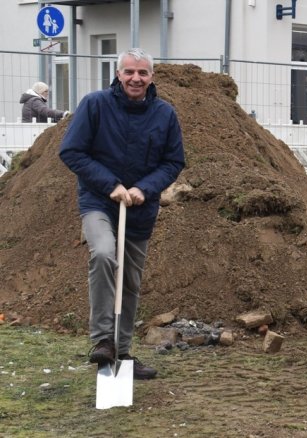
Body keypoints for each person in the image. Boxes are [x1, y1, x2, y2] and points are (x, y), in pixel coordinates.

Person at [59, 48, 185, 380]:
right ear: (118, 74)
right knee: (103, 254)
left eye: (142, 73)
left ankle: (123, 352)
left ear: (151, 77)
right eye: (129, 72)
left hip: (140, 210)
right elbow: (71, 150)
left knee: (129, 282)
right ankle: (103, 340)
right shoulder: (95, 105)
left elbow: (174, 162)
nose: (135, 78)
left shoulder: (164, 114)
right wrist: (110, 184)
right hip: (99, 202)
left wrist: (144, 188)